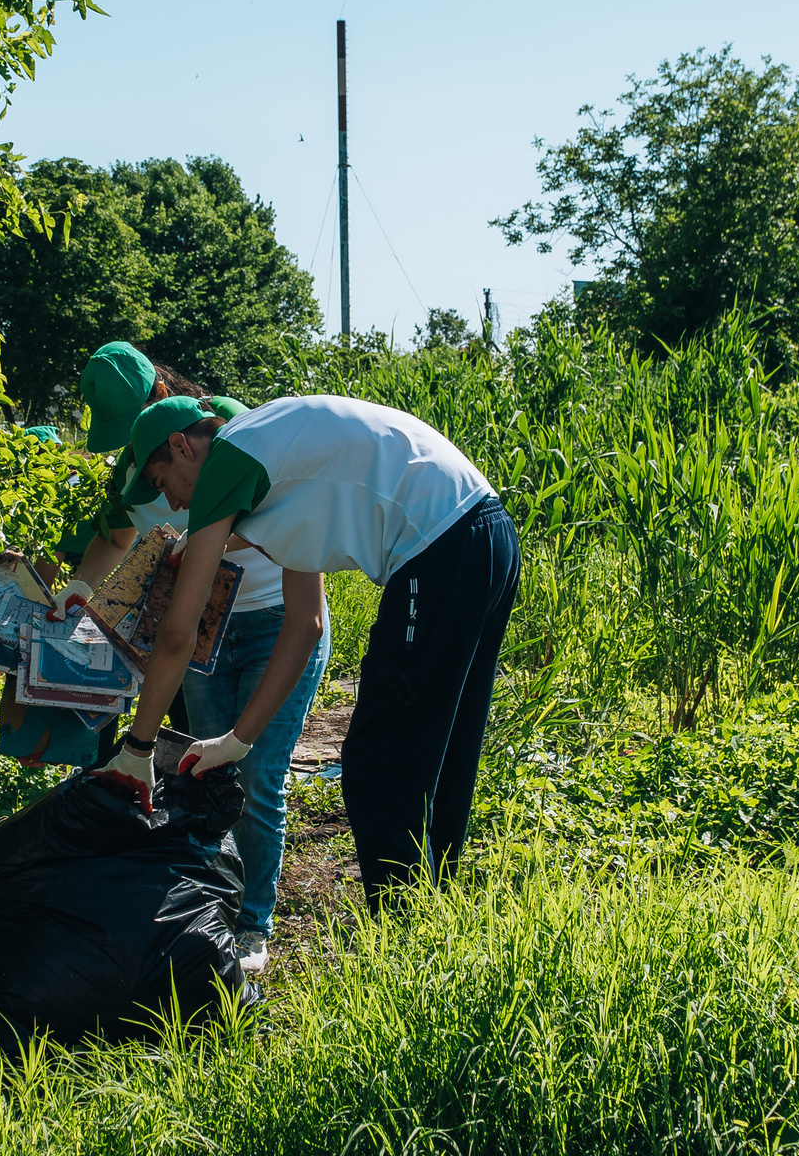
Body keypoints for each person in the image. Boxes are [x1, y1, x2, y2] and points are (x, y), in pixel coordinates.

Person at [97, 394, 517, 901]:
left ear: (182, 447)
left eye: (164, 484)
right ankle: (437, 909)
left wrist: (137, 750)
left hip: (438, 544)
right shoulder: (276, 463)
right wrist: (237, 741)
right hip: (484, 528)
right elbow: (306, 624)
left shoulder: (228, 460)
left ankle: (405, 920)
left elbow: (177, 634)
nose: (174, 506)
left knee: (380, 762)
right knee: (443, 746)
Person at [55, 342, 326, 974]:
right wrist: (81, 585)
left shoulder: (229, 431)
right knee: (204, 772)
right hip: (205, 631)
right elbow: (114, 537)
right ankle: (214, 905)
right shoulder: (139, 471)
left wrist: (198, 543)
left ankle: (253, 923)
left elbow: (275, 516)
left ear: (163, 406)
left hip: (274, 621)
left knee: (257, 776)